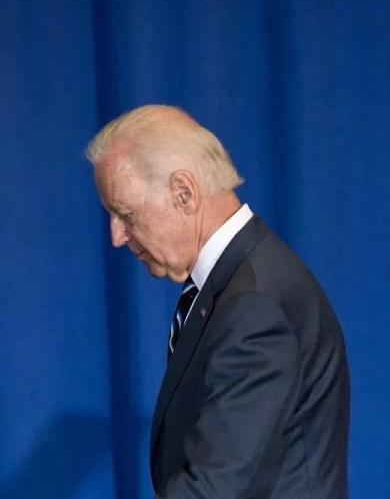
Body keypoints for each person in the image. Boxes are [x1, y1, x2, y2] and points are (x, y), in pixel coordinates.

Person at [85, 105, 350, 498]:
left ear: (184, 193)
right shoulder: (236, 285)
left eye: (125, 213)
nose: (117, 236)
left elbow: (214, 488)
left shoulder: (255, 306)